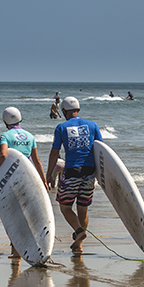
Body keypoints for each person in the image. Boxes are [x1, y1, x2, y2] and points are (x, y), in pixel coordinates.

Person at [46, 97, 102, 255]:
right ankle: (79, 246)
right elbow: (101, 150)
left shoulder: (61, 127)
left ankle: (79, 231)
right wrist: (101, 175)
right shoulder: (93, 125)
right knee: (83, 208)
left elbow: (55, 152)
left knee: (65, 207)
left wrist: (49, 174)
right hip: (89, 171)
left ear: (63, 111)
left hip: (71, 171)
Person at [0, 106, 47, 189]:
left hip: (11, 177)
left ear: (5, 121)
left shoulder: (5, 136)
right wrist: (44, 181)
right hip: (27, 174)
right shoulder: (30, 136)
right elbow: (37, 161)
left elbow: (2, 155)